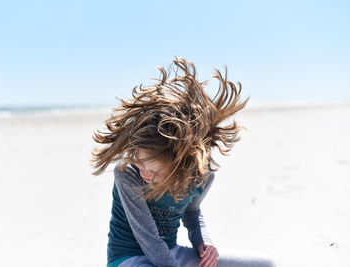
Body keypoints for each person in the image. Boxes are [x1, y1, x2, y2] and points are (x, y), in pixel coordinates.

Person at [91, 58, 276, 267]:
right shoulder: (128, 173)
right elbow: (148, 237)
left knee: (265, 264)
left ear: (179, 164)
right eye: (140, 163)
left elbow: (192, 211)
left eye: (155, 172)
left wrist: (203, 242)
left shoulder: (202, 177)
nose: (145, 174)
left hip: (171, 253)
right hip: (129, 259)